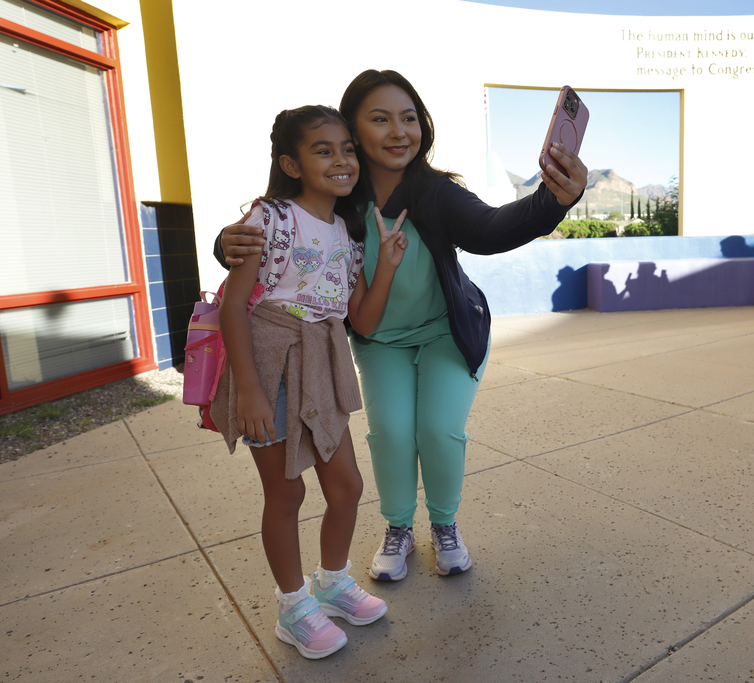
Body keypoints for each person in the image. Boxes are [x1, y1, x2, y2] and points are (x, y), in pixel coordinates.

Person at [216, 70, 587, 583]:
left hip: (444, 332)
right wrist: (225, 242)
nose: (398, 131)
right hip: (377, 337)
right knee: (390, 432)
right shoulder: (341, 193)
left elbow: (490, 229)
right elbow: (281, 224)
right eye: (380, 119)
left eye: (409, 118)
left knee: (437, 430)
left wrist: (555, 200)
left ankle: (444, 525)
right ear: (354, 132)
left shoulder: (435, 193)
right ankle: (398, 529)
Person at [212, 105, 408, 659]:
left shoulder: (347, 235)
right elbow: (233, 308)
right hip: (269, 362)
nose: (342, 159)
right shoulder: (268, 218)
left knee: (346, 487)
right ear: (291, 164)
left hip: (322, 362)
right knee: (287, 490)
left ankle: (333, 582)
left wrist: (386, 266)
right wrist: (248, 389)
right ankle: (294, 606)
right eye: (324, 150)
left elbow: (360, 320)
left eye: (347, 149)